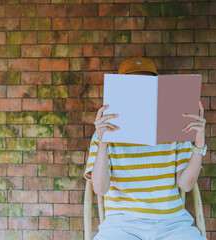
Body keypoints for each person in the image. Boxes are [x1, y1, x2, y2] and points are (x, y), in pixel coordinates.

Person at [84, 57, 208, 240]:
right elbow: (100, 189)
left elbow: (186, 185)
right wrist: (104, 141)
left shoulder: (174, 129)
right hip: (121, 226)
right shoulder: (102, 135)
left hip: (172, 223)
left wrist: (198, 143)